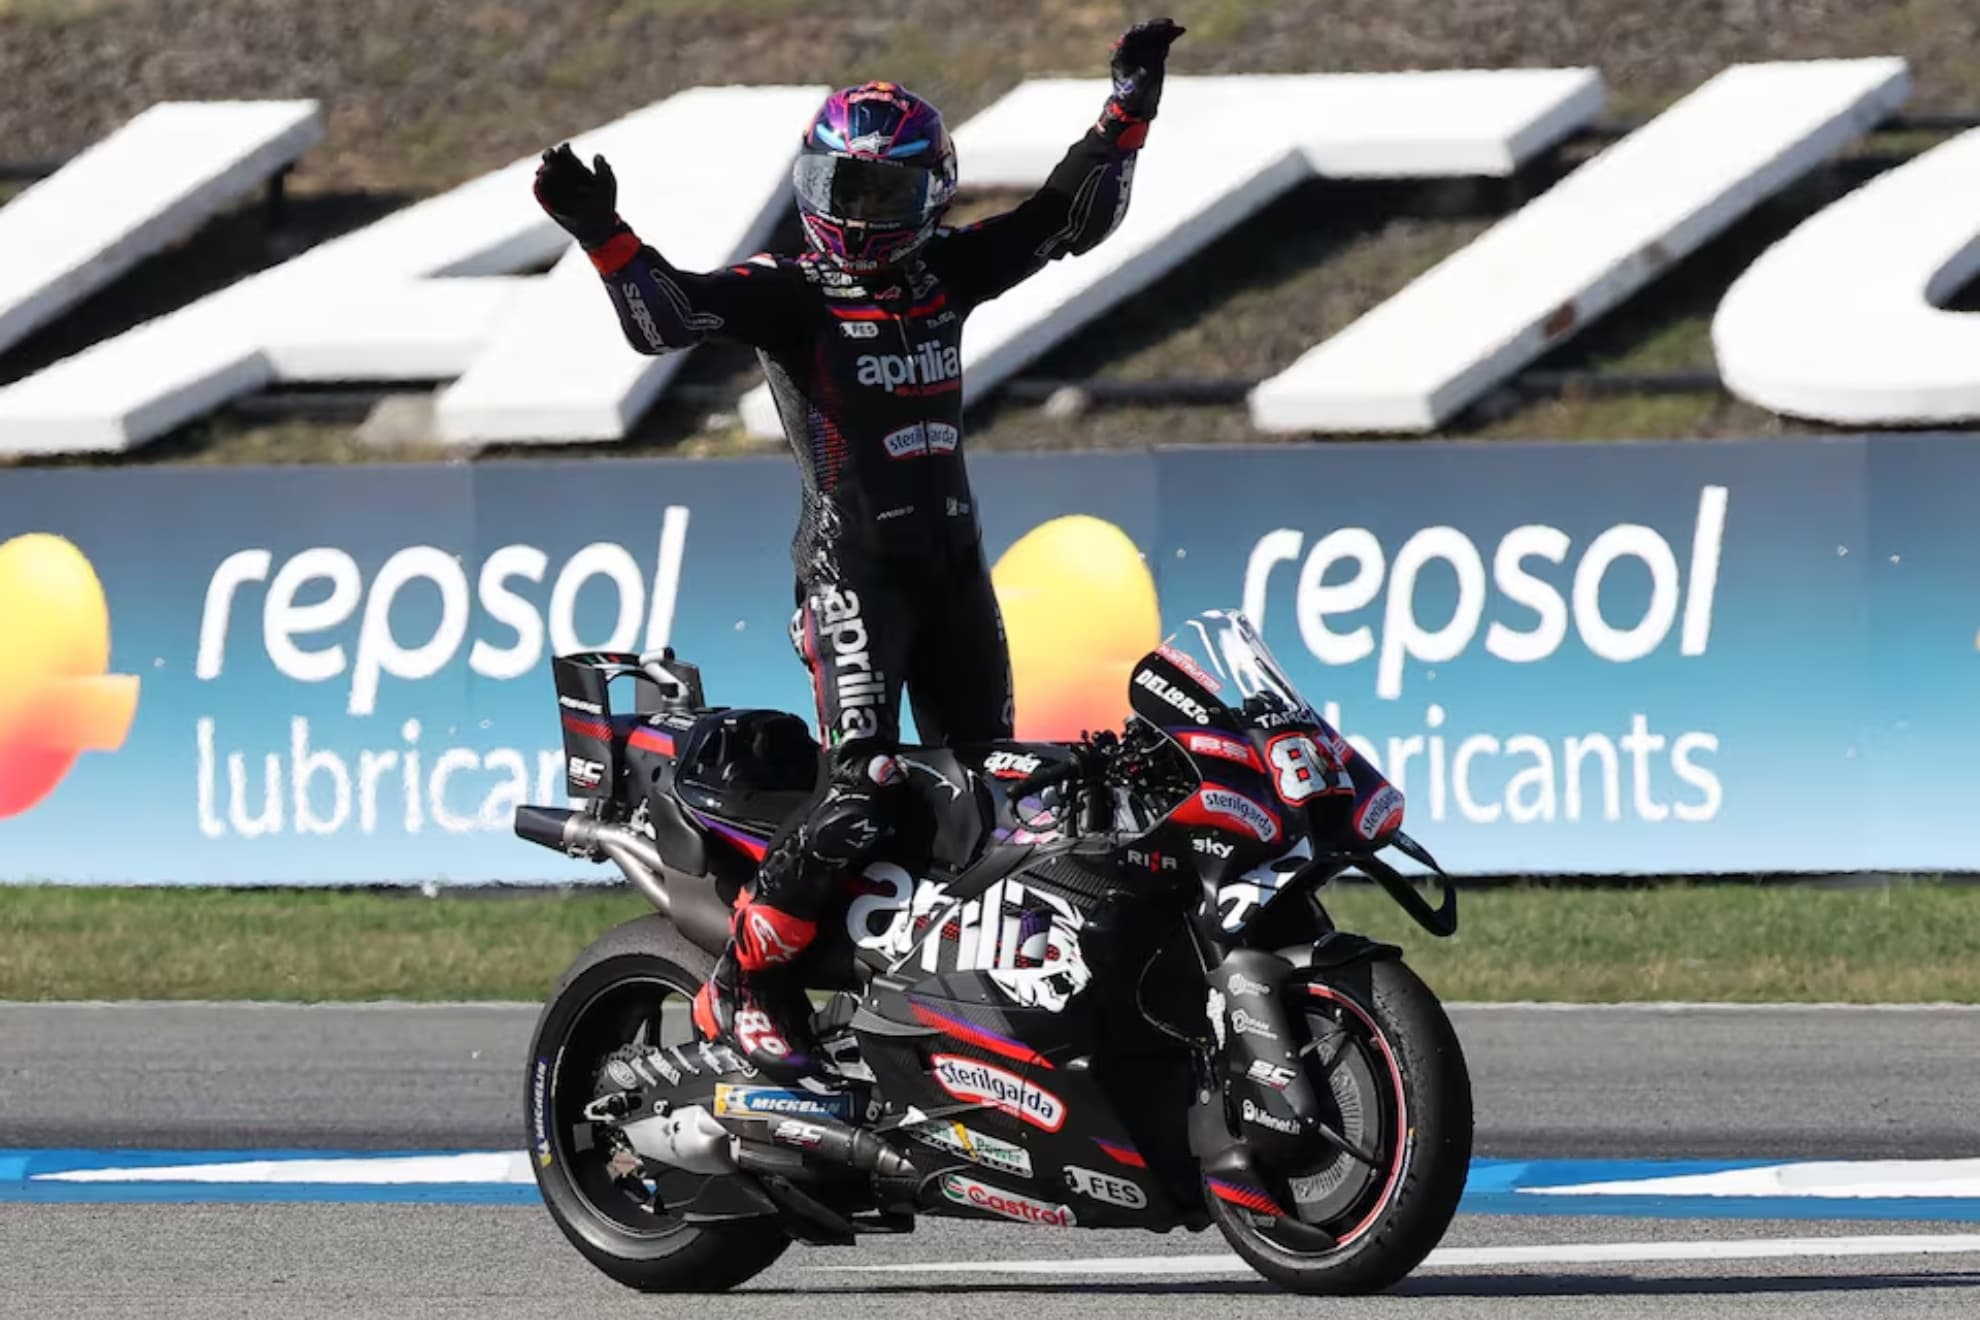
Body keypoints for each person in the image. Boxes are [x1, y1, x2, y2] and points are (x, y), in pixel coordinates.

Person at [533, 18, 1186, 1077]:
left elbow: (1066, 219)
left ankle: (945, 1007)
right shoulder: (791, 289)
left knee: (991, 789)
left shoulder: (945, 275)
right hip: (853, 572)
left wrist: (1129, 110)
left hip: (953, 569)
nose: (853, 213)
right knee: (867, 783)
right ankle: (745, 983)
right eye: (838, 187)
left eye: (880, 195)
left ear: (928, 199)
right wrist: (603, 232)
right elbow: (669, 316)